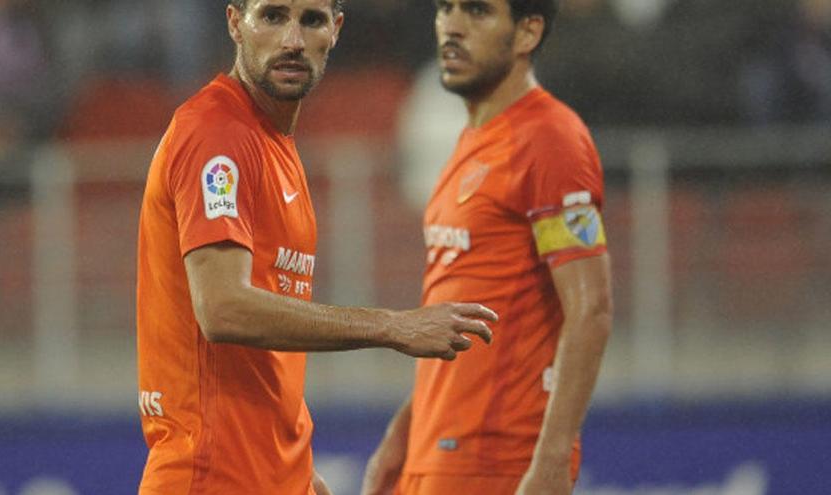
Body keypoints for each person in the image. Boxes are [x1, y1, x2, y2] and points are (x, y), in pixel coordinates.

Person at [136, 1, 498, 494]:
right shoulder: (216, 134)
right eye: (272, 16)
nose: (292, 40)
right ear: (234, 23)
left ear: (336, 30)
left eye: (311, 20)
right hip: (210, 476)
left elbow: (258, 356)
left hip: (264, 476)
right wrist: (394, 326)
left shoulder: (273, 145)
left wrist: (293, 472)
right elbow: (222, 309)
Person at [361, 1, 612, 494]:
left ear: (527, 33)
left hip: (498, 459)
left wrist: (552, 460)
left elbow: (592, 310)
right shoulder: (473, 139)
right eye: (445, 9)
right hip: (439, 451)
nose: (452, 26)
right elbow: (457, 319)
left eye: (477, 11)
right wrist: (405, 431)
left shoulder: (550, 139)